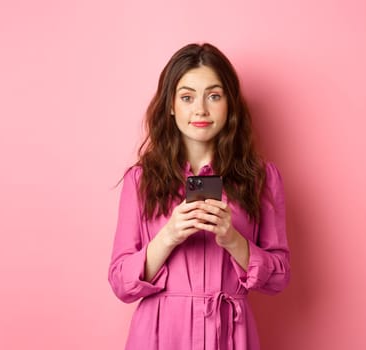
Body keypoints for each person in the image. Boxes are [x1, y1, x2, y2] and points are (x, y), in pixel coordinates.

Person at [108, 43, 290, 350]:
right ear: (170, 105)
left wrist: (233, 239)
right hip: (159, 336)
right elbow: (121, 283)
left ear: (229, 104)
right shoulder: (141, 180)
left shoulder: (261, 178)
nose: (201, 109)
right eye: (187, 97)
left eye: (214, 96)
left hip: (230, 336)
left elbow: (279, 277)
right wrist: (169, 236)